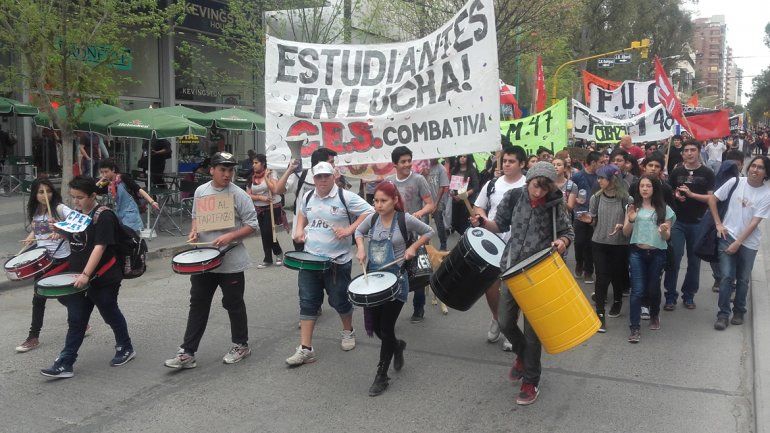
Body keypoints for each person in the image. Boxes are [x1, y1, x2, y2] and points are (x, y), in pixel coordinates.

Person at [471, 162, 573, 406]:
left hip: (539, 274)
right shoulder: (514, 195)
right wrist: (483, 222)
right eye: (536, 187)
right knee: (505, 321)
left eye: (544, 189)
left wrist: (562, 242)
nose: (538, 193)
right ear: (530, 181)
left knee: (532, 332)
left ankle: (531, 380)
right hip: (510, 268)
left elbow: (569, 232)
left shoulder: (556, 203)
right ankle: (522, 355)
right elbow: (499, 225)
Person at [164, 152, 259, 369]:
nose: (227, 174)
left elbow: (252, 224)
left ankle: (241, 345)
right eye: (223, 170)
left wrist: (230, 236)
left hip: (231, 259)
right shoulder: (201, 191)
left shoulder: (239, 194)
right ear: (212, 170)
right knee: (198, 304)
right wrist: (194, 232)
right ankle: (187, 352)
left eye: (230, 170)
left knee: (233, 303)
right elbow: (196, 217)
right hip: (204, 260)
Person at [41, 176, 135, 379]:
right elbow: (78, 239)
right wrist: (61, 231)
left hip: (103, 277)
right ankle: (65, 363)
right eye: (73, 197)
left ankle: (125, 346)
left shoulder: (104, 216)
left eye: (80, 197)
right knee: (76, 320)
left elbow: (99, 246)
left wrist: (86, 274)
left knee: (109, 313)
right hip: (78, 276)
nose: (75, 202)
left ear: (93, 195)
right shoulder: (76, 214)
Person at [286, 161, 373, 367]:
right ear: (313, 178)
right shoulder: (308, 196)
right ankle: (306, 349)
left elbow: (369, 211)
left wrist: (349, 230)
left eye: (326, 176)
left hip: (337, 262)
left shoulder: (345, 196)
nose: (322, 180)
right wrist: (299, 230)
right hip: (310, 260)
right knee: (307, 301)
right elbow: (302, 214)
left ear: (334, 176)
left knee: (339, 301)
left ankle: (348, 331)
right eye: (318, 177)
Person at [354, 182, 433, 396]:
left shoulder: (403, 219)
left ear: (394, 200)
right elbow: (358, 232)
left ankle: (382, 375)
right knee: (379, 330)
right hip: (375, 280)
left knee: (386, 327)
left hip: (397, 282)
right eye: (376, 201)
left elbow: (428, 231)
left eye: (383, 201)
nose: (378, 205)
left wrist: (412, 247)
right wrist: (361, 248)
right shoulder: (372, 219)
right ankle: (397, 346)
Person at [473, 145, 526, 349]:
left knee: (513, 288)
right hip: (492, 240)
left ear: (521, 164)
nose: (506, 164)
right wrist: (482, 218)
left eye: (511, 161)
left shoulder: (528, 185)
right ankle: (498, 318)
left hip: (518, 243)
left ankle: (509, 326)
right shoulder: (492, 184)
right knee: (490, 285)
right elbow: (479, 206)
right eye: (504, 161)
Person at [709, 156, 770, 330]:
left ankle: (739, 310)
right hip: (727, 235)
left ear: (766, 173)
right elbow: (713, 199)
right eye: (754, 166)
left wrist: (739, 243)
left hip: (749, 243)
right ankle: (722, 314)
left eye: (760, 168)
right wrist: (718, 223)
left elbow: (754, 222)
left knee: (743, 279)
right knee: (727, 276)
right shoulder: (735, 182)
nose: (755, 170)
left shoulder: (767, 194)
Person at [15, 179, 73, 353]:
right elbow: (40, 229)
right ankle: (33, 337)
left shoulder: (59, 208)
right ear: (35, 194)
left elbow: (78, 222)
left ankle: (78, 321)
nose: (45, 195)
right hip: (42, 260)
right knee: (39, 298)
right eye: (41, 192)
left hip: (61, 259)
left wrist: (61, 230)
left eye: (48, 191)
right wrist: (32, 235)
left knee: (62, 296)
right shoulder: (36, 210)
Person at [577, 164, 630, 332]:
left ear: (613, 179)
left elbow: (630, 223)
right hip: (599, 242)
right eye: (598, 177)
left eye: (602, 178)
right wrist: (589, 220)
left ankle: (617, 301)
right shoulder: (596, 198)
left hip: (619, 244)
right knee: (601, 277)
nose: (599, 180)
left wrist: (624, 225)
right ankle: (600, 314)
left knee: (616, 276)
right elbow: (594, 220)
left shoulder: (626, 199)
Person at [622, 175, 675, 342]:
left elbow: (667, 237)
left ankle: (654, 314)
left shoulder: (665, 209)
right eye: (642, 186)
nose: (644, 189)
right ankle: (634, 327)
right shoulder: (632, 208)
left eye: (648, 186)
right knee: (637, 290)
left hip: (657, 253)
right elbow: (626, 232)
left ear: (655, 189)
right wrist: (631, 219)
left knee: (653, 288)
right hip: (637, 252)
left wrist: (664, 230)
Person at [664, 140, 714, 310]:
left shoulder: (708, 173)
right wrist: (676, 194)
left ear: (699, 151)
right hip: (677, 221)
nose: (690, 153)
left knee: (694, 262)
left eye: (693, 149)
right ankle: (670, 296)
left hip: (698, 223)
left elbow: (711, 198)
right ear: (682, 153)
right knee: (674, 259)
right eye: (686, 150)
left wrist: (691, 194)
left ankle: (689, 295)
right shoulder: (676, 172)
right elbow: (668, 192)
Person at [385, 146, 434, 322]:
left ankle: (418, 307)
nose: (407, 164)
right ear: (395, 164)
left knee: (417, 272)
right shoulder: (389, 182)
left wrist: (419, 214)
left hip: (416, 234)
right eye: (403, 162)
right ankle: (391, 310)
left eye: (409, 161)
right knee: (392, 271)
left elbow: (430, 204)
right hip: (394, 235)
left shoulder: (419, 179)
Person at [246, 154, 297, 268]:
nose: (253, 165)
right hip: (259, 208)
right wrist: (260, 198)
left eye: (256, 163)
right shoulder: (251, 176)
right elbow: (248, 195)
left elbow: (275, 189)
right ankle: (268, 258)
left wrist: (266, 178)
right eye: (253, 163)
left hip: (272, 206)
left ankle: (277, 253)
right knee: (265, 233)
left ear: (263, 163)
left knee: (268, 231)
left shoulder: (271, 173)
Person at [284, 148, 337, 251]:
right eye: (331, 162)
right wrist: (289, 170)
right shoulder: (301, 175)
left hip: (326, 238)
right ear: (320, 164)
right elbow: (279, 190)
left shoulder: (334, 178)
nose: (334, 166)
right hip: (302, 236)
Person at [97, 159, 159, 233]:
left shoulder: (123, 178)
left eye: (106, 172)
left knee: (131, 237)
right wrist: (101, 179)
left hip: (130, 212)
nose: (104, 174)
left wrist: (152, 202)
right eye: (102, 172)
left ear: (113, 170)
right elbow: (95, 190)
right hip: (118, 213)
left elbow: (138, 189)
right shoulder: (107, 183)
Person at [569, 151, 602, 284]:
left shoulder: (601, 176)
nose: (603, 164)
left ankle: (589, 270)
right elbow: (569, 192)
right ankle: (579, 263)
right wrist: (576, 199)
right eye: (601, 162)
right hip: (580, 214)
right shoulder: (577, 176)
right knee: (579, 242)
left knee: (591, 243)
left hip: (595, 214)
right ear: (593, 163)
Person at [422, 159, 450, 250]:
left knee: (439, 224)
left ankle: (443, 245)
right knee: (424, 225)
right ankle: (425, 246)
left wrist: (436, 204)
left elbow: (442, 187)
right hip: (425, 203)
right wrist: (422, 173)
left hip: (437, 202)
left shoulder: (441, 169)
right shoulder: (423, 167)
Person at [449, 154, 478, 235]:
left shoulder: (472, 170)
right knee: (455, 222)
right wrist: (452, 194)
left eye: (464, 157)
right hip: (456, 200)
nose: (462, 158)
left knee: (464, 223)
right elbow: (451, 185)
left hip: (467, 201)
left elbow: (476, 187)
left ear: (468, 158)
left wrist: (465, 194)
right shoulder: (454, 170)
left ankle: (463, 239)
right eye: (460, 156)